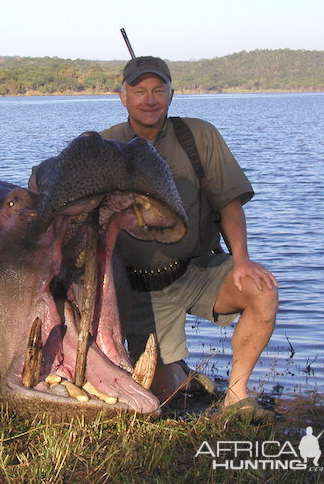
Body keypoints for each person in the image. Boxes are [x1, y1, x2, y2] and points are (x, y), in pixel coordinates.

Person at [100, 56, 278, 420]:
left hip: (195, 270)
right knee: (163, 395)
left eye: (158, 90)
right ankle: (183, 376)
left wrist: (242, 260)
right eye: (139, 91)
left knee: (263, 290)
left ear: (171, 94)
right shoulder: (105, 145)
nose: (149, 100)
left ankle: (236, 395)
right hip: (139, 289)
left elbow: (229, 203)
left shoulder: (199, 135)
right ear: (123, 97)